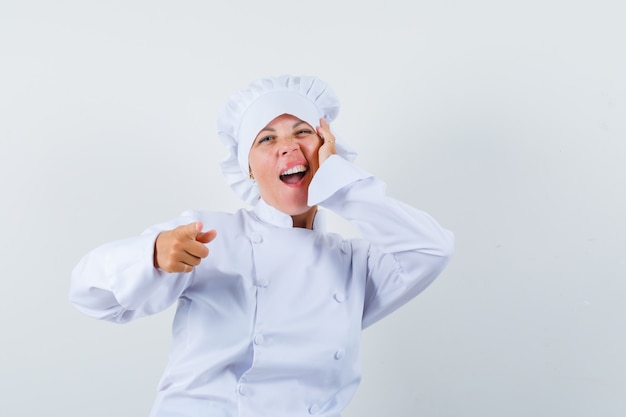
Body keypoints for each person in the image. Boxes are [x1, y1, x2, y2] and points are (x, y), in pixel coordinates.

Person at [69, 75, 454, 417]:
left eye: (302, 132)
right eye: (267, 139)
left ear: (326, 148)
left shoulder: (354, 264)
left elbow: (432, 249)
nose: (288, 148)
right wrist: (151, 254)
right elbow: (89, 295)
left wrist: (343, 185)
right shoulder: (209, 235)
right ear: (247, 168)